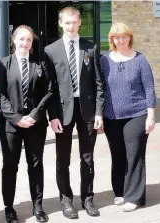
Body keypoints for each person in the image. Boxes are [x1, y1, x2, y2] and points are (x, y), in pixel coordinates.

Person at [44, 6, 104, 219]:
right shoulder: (50, 51)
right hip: (62, 112)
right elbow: (50, 88)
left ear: (80, 23)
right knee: (63, 158)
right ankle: (66, 200)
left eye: (74, 22)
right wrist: (53, 116)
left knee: (87, 157)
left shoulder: (91, 47)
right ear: (60, 23)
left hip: (87, 110)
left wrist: (99, 112)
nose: (71, 26)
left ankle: (87, 199)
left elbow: (98, 83)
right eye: (66, 22)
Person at [0, 25, 55, 223]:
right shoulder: (4, 64)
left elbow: (49, 90)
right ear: (14, 40)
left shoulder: (40, 62)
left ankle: (37, 206)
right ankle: (9, 208)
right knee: (10, 165)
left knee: (35, 165)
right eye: (21, 39)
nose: (25, 43)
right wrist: (16, 118)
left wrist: (34, 115)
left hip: (35, 124)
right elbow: (0, 95)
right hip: (11, 125)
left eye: (28, 40)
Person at [101, 22, 156, 212]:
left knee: (135, 156)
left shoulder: (140, 60)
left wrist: (151, 116)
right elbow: (99, 88)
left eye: (124, 36)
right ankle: (120, 192)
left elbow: (149, 88)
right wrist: (99, 114)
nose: (120, 40)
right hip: (111, 116)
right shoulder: (104, 60)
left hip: (137, 114)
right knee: (117, 155)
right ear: (112, 39)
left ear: (130, 37)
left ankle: (135, 197)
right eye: (117, 37)